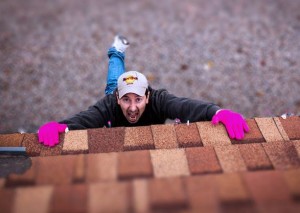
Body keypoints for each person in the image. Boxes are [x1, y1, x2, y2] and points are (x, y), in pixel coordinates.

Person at [38, 35, 250, 147]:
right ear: (118, 99)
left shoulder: (159, 100)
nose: (132, 108)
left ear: (147, 96)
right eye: (126, 100)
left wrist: (218, 113)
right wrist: (60, 126)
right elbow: (86, 119)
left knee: (116, 79)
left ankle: (118, 53)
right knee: (113, 79)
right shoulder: (110, 102)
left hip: (124, 92)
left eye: (138, 99)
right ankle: (116, 51)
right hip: (115, 89)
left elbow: (185, 106)